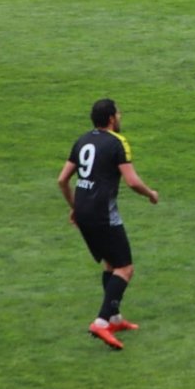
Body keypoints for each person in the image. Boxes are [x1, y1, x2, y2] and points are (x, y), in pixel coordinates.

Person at [58, 98, 159, 351]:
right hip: (103, 214)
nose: (120, 116)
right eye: (119, 113)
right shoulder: (117, 142)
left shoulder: (82, 140)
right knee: (125, 269)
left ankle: (115, 318)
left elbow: (62, 180)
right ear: (112, 119)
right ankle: (102, 321)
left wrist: (75, 208)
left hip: (83, 214)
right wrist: (151, 194)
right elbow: (132, 182)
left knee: (111, 264)